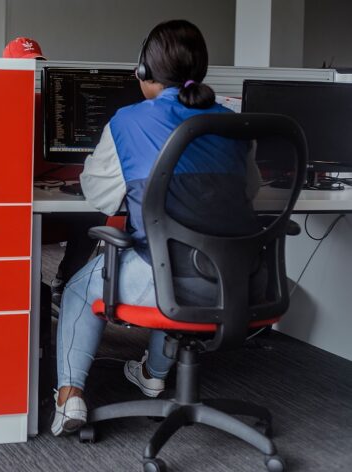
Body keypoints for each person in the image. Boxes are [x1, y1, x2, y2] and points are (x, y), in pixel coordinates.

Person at [52, 19, 261, 436]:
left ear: (144, 73)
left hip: (164, 279)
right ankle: (152, 374)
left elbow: (100, 196)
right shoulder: (238, 124)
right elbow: (250, 191)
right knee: (174, 266)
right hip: (239, 280)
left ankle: (69, 397)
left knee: (79, 287)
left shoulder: (128, 121)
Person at [3, 36, 103, 305]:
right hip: (17, 200)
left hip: (54, 194)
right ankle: (27, 290)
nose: (31, 71)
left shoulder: (53, 102)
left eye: (35, 64)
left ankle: (68, 281)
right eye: (23, 65)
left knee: (93, 216)